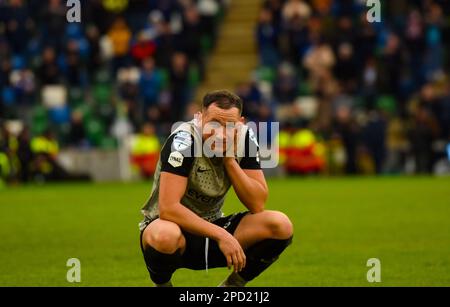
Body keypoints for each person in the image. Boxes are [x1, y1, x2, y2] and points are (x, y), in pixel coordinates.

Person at [139, 90, 294, 287]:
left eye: (229, 126)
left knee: (280, 224)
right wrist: (222, 235)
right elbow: (168, 209)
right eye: (213, 123)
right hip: (171, 227)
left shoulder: (245, 139)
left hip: (212, 223)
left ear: (240, 124)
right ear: (201, 117)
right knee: (164, 235)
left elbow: (257, 203)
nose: (220, 133)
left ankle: (233, 285)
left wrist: (229, 160)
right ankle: (162, 285)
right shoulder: (184, 140)